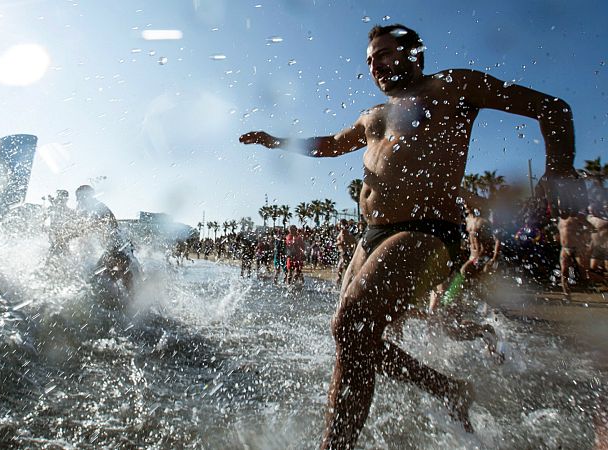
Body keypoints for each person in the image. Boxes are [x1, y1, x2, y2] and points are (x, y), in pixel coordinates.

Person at [239, 23, 584, 448]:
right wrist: (276, 141)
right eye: (370, 60)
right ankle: (448, 389)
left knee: (352, 324)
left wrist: (559, 171)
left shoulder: (452, 86)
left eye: (384, 54)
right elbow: (329, 144)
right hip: (372, 235)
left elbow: (552, 108)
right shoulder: (372, 116)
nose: (375, 65)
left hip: (428, 230)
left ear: (414, 54)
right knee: (348, 335)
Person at [70, 185, 140, 294]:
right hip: (121, 247)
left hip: (118, 247)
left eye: (79, 197)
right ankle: (129, 299)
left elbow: (85, 228)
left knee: (97, 276)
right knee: (116, 275)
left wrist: (71, 234)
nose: (78, 201)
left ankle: (127, 299)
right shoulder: (95, 208)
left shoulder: (96, 209)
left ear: (87, 196)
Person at [44, 189, 77, 263]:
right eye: (59, 198)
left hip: (62, 239)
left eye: (61, 198)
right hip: (55, 239)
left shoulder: (69, 212)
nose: (60, 200)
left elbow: (74, 226)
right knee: (54, 254)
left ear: (66, 200)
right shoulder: (52, 209)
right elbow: (43, 219)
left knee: (61, 254)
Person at [335, 220, 357, 287]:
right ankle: (342, 285)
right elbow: (354, 241)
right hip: (344, 253)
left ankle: (345, 286)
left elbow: (343, 241)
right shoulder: (346, 232)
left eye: (339, 224)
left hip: (344, 253)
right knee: (342, 270)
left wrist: (336, 243)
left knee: (342, 270)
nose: (338, 225)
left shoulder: (344, 232)